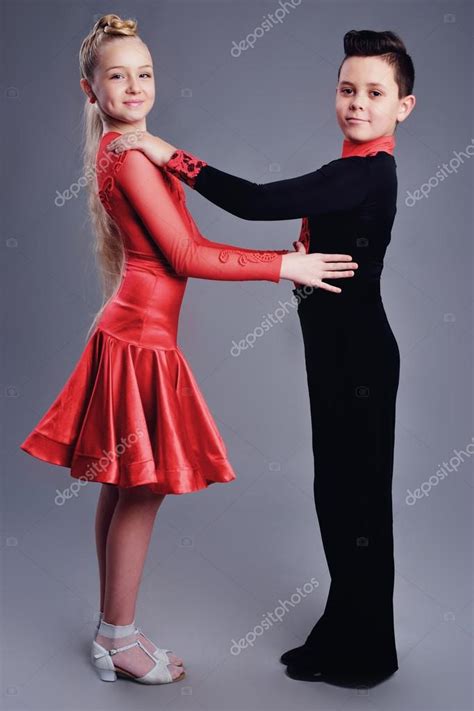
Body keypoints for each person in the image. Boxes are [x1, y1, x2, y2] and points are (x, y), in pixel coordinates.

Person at [18, 14, 359, 686]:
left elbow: (179, 241)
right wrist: (282, 267)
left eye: (144, 73)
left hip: (133, 335)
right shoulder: (126, 156)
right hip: (139, 342)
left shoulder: (127, 149)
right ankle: (119, 638)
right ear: (91, 90)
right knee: (141, 488)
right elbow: (183, 253)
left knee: (124, 486)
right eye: (118, 76)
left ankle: (110, 631)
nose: (135, 85)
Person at [107, 28, 416, 686]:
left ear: (403, 107)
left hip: (359, 361)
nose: (357, 103)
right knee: (335, 495)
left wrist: (170, 154)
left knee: (358, 504)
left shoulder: (361, 173)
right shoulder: (354, 170)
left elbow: (256, 202)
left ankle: (368, 652)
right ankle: (342, 626)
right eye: (347, 89)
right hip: (335, 354)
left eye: (375, 93)